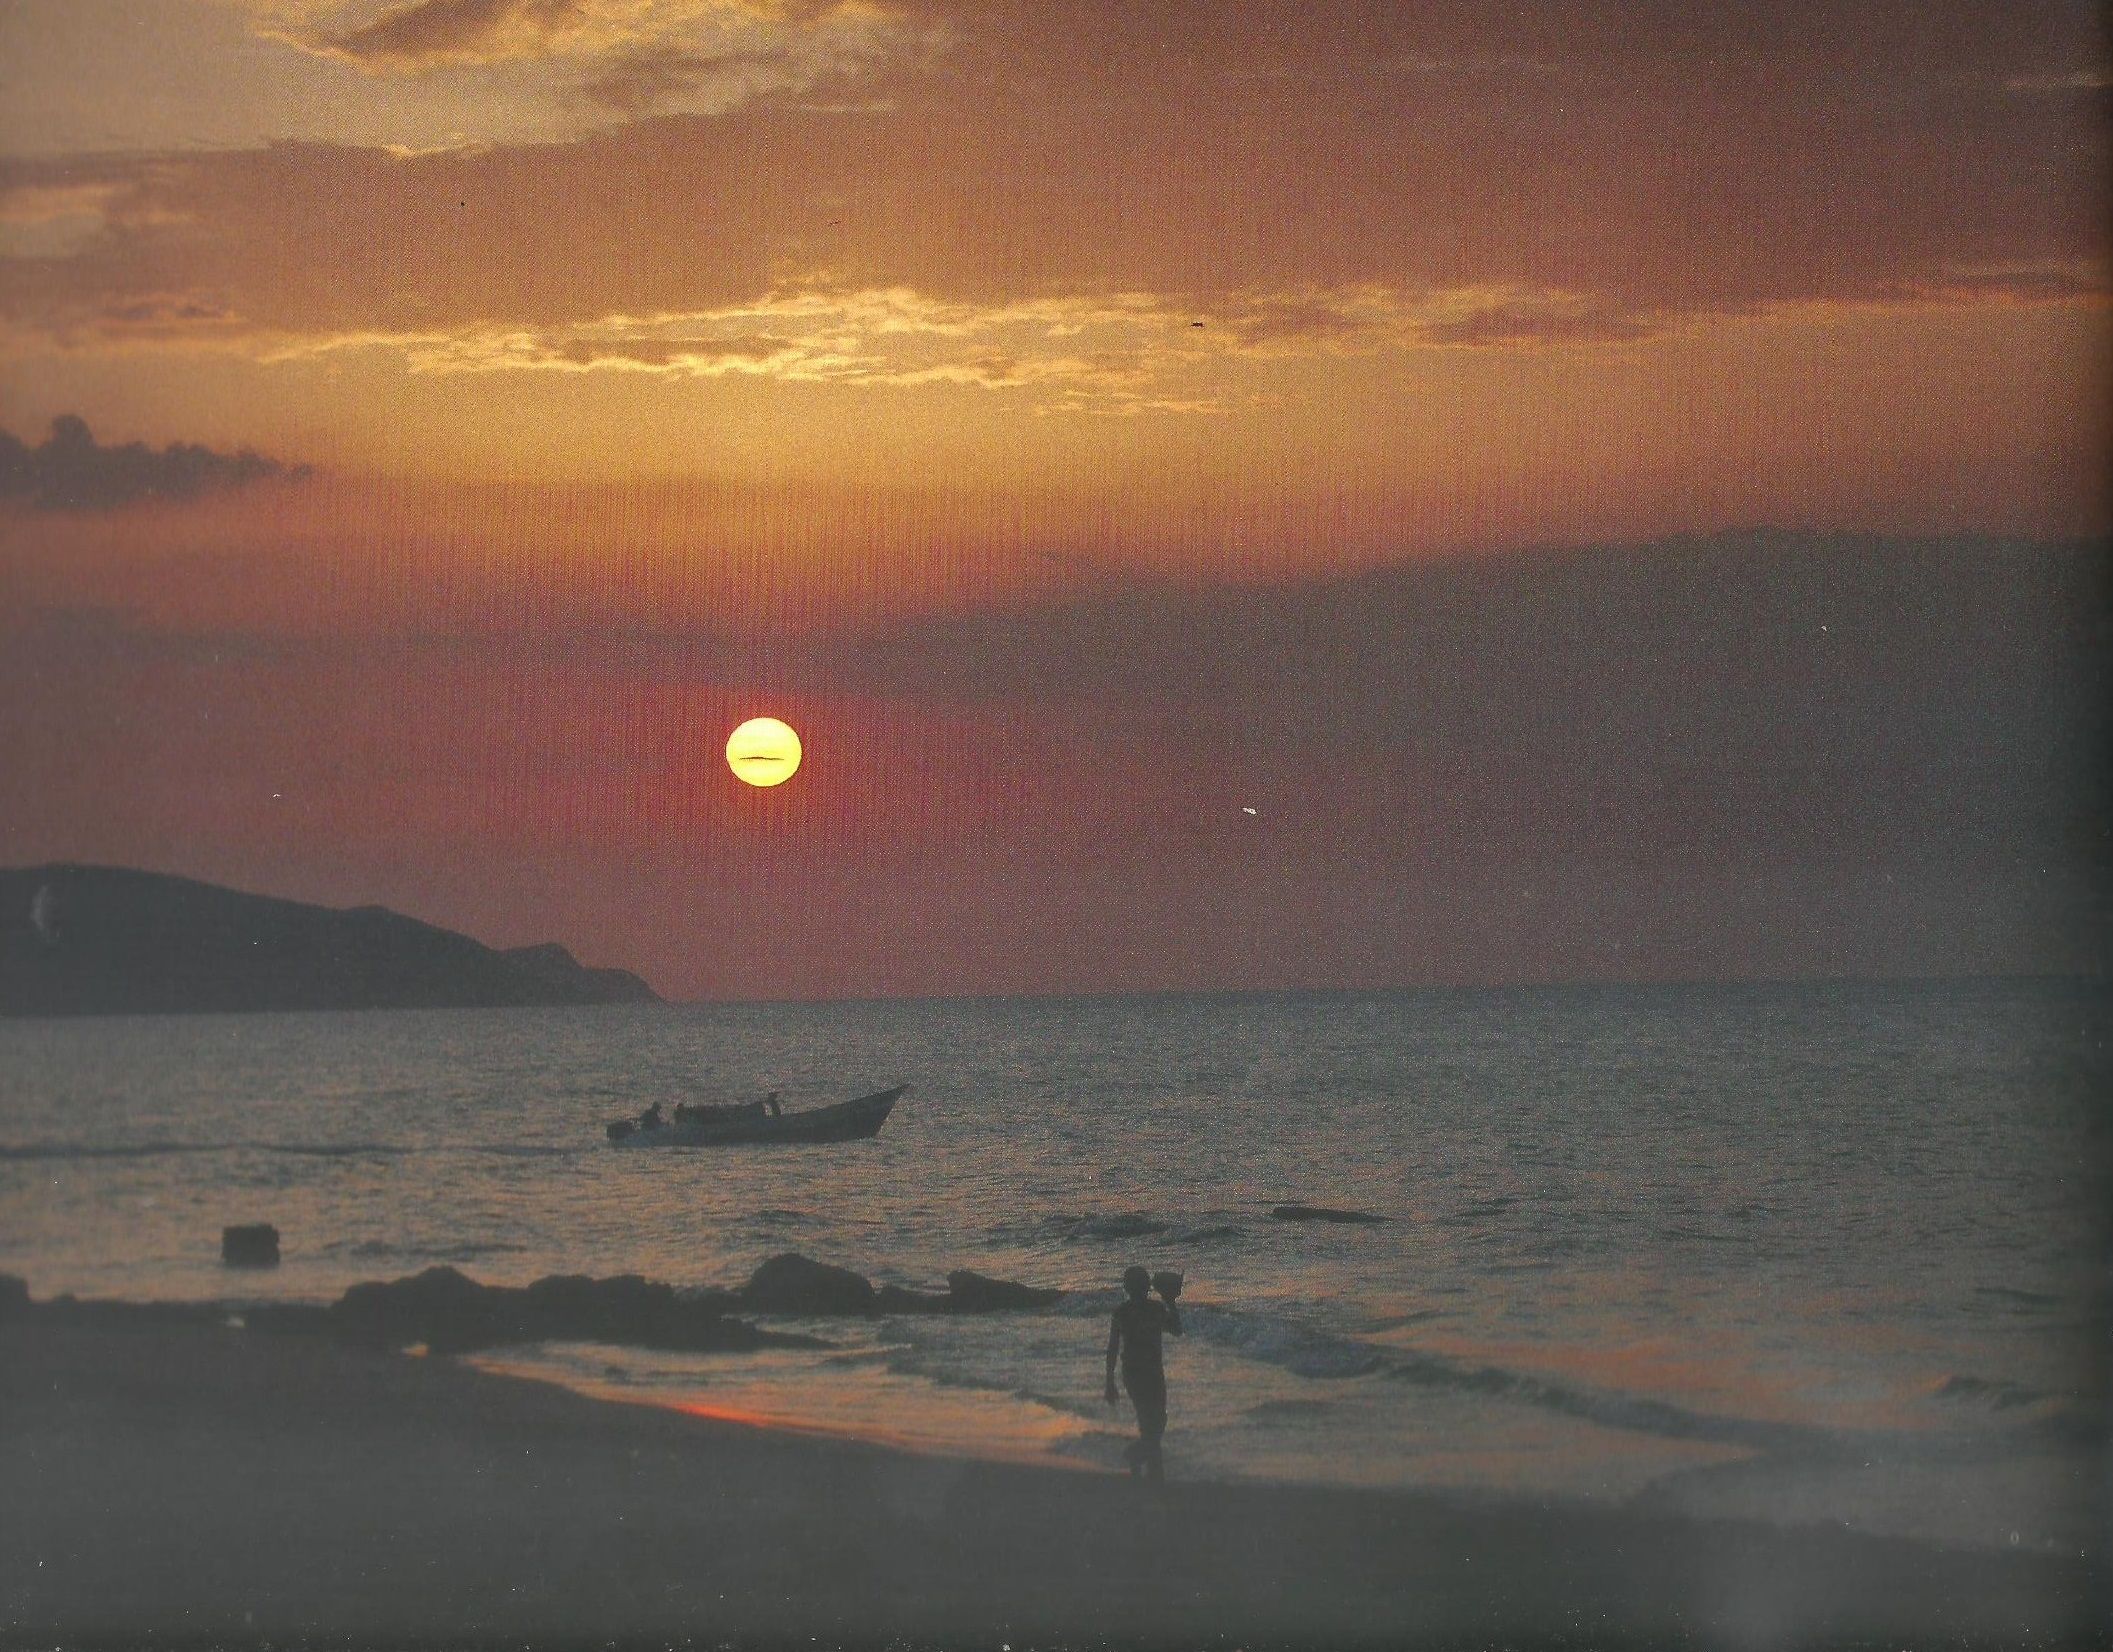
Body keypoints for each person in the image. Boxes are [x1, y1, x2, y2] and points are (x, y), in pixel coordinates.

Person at [1104, 1264, 1182, 1481]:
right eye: (1136, 1285)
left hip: (1154, 1373)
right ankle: (1156, 1478)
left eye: (1141, 1285)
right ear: (1130, 1288)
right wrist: (1109, 1383)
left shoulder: (1156, 1309)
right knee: (1150, 1425)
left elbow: (1176, 1330)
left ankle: (1136, 1456)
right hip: (1135, 1374)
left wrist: (1171, 1302)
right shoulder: (1122, 1313)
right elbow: (1112, 1348)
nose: (1139, 1289)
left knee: (1157, 1423)